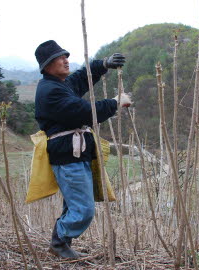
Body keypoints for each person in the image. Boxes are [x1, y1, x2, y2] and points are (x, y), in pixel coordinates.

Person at [34, 40, 131, 259]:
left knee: (75, 205)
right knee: (84, 210)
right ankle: (58, 241)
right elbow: (84, 111)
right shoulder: (50, 91)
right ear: (48, 65)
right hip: (68, 157)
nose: (65, 60)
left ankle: (62, 244)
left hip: (76, 154)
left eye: (66, 56)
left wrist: (102, 64)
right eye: (60, 58)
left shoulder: (60, 84)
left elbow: (80, 79)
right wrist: (115, 102)